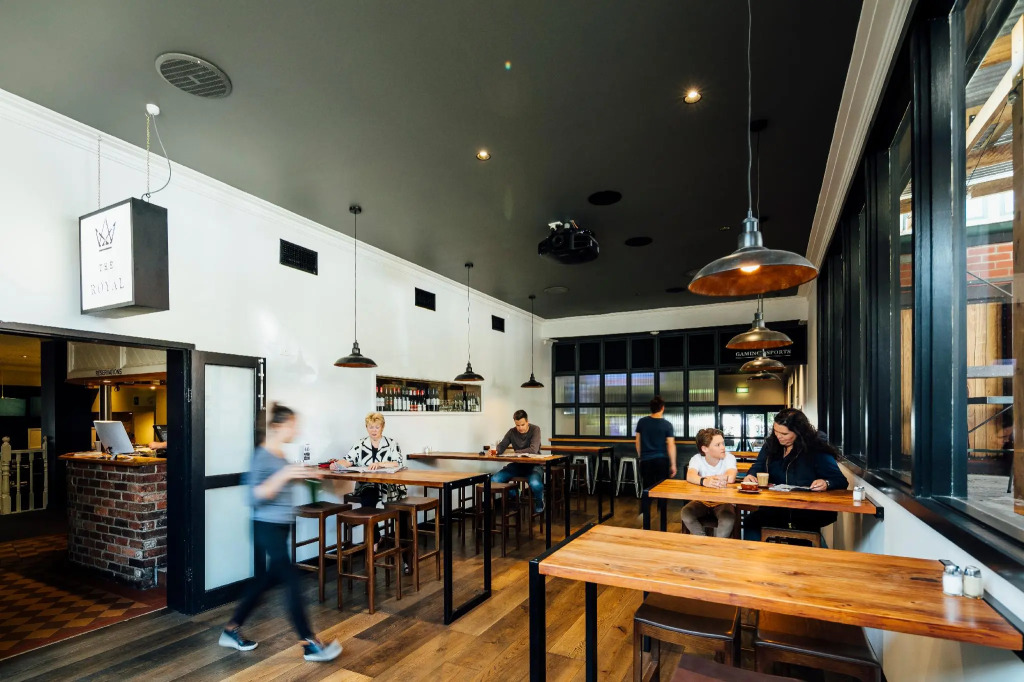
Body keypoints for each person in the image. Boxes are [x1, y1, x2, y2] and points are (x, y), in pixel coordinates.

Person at [219, 403, 342, 662]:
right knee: (292, 580)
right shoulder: (261, 455)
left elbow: (280, 481)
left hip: (280, 526)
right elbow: (254, 496)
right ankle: (309, 643)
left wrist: (305, 474)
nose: (295, 430)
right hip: (266, 527)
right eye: (292, 425)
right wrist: (285, 474)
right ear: (277, 426)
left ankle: (231, 629)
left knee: (263, 582)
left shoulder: (279, 455)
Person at [741, 408, 849, 542]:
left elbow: (840, 480)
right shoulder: (771, 445)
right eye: (776, 431)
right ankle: (758, 555)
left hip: (805, 511)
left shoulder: (815, 449)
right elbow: (758, 466)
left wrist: (826, 483)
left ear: (799, 432)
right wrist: (751, 475)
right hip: (774, 507)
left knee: (798, 540)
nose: (779, 436)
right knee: (750, 523)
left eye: (784, 434)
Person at [330, 413, 410, 571]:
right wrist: (337, 464)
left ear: (382, 427)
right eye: (371, 427)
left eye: (377, 427)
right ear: (366, 427)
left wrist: (380, 464)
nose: (374, 430)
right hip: (368, 485)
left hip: (391, 487)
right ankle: (374, 545)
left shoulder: (392, 443)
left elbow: (398, 462)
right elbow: (348, 459)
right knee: (367, 505)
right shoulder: (360, 444)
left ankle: (407, 559)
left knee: (401, 516)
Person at [681, 428, 737, 537]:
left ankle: (717, 545)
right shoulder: (697, 459)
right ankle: (703, 541)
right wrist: (705, 481)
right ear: (705, 448)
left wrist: (702, 479)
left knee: (728, 519)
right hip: (701, 501)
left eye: (723, 443)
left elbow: (730, 478)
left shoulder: (729, 457)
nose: (723, 447)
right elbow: (690, 476)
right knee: (686, 513)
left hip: (723, 502)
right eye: (718, 445)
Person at [490, 410, 545, 514]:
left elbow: (533, 449)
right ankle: (515, 494)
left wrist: (516, 452)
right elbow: (502, 445)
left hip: (534, 466)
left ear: (527, 422)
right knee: (494, 480)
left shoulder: (535, 429)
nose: (520, 428)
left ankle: (539, 502)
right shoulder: (512, 432)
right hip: (517, 465)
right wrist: (496, 450)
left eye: (522, 425)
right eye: (517, 425)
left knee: (535, 484)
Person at [634, 396, 677, 489]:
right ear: (662, 408)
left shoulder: (642, 422)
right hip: (661, 461)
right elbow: (671, 445)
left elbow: (637, 442)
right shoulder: (667, 425)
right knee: (662, 490)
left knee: (647, 490)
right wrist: (673, 464)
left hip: (646, 461)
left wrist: (641, 457)